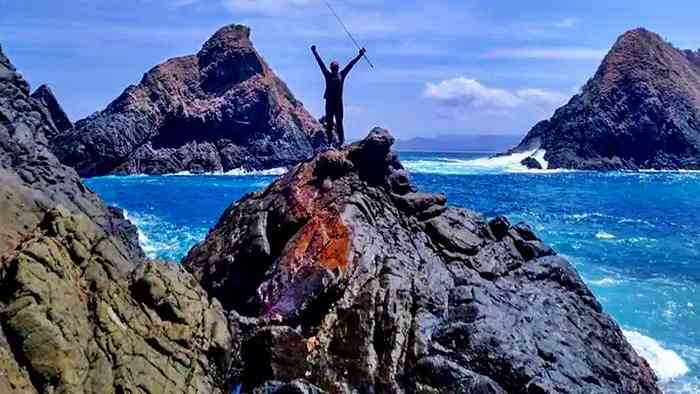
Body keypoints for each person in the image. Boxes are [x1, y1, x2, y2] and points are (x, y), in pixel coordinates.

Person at [311, 45, 366, 145]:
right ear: (331, 68)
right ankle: (330, 143)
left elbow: (351, 64)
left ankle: (341, 142)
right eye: (334, 67)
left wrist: (360, 55)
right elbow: (320, 64)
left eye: (336, 67)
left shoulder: (342, 75)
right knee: (330, 124)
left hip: (338, 103)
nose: (335, 69)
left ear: (338, 68)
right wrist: (314, 52)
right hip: (329, 103)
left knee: (339, 123)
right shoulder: (328, 75)